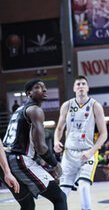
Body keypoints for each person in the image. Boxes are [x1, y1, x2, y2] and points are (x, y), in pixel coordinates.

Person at [2, 79, 67, 210]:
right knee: (59, 197)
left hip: (5, 161)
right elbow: (41, 147)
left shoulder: (19, 110)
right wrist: (55, 164)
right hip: (19, 160)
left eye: (44, 87)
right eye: (38, 87)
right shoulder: (35, 110)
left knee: (28, 205)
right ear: (29, 93)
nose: (44, 89)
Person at [54, 76, 107, 210]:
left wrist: (90, 152)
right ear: (74, 88)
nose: (81, 86)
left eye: (83, 84)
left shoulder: (95, 106)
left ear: (87, 88)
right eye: (78, 84)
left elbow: (104, 134)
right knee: (63, 191)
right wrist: (56, 141)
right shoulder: (67, 105)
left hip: (87, 151)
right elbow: (59, 128)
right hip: (69, 154)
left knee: (83, 186)